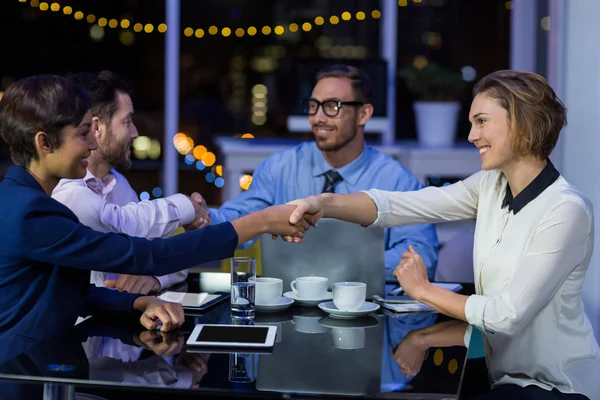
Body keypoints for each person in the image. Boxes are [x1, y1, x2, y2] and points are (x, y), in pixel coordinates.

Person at [287, 70, 599, 399]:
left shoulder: (565, 210)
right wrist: (324, 203)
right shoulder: (490, 186)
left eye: (481, 121)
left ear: (520, 123)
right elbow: (402, 205)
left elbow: (505, 316)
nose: (471, 135)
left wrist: (423, 290)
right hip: (506, 381)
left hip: (557, 388)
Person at [0, 75, 311, 362]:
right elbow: (148, 255)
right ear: (44, 143)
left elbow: (67, 291)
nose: (92, 144)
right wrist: (260, 222)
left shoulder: (25, 200)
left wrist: (138, 303)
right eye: (83, 134)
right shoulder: (31, 213)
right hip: (21, 374)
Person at [206, 64, 439, 280]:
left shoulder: (396, 179)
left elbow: (422, 256)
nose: (318, 118)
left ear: (364, 114)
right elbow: (242, 216)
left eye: (332, 106)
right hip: (288, 305)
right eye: (314, 105)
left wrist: (348, 265)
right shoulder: (280, 168)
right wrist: (205, 218)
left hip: (364, 308)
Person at [52, 70, 206, 295]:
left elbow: (165, 255)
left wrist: (153, 278)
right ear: (96, 128)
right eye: (128, 121)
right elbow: (122, 223)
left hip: (117, 324)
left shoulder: (119, 184)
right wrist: (186, 207)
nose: (135, 132)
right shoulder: (63, 191)